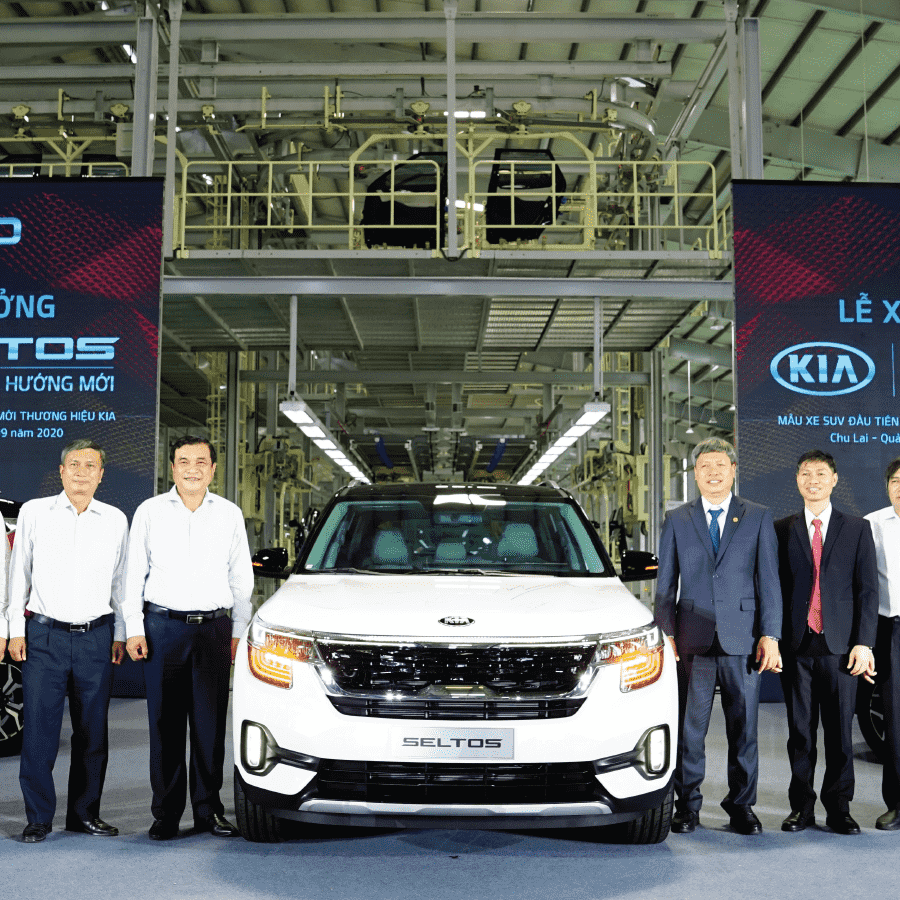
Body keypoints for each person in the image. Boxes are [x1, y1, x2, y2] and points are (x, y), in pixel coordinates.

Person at [123, 436, 253, 840]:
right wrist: (133, 626)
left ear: (213, 469)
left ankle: (208, 811)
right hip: (162, 628)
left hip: (214, 630)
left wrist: (239, 629)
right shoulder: (149, 512)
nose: (192, 468)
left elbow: (241, 578)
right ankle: (165, 814)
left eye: (200, 461)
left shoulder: (229, 514)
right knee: (164, 724)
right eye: (183, 461)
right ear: (172, 468)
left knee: (210, 725)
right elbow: (133, 574)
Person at [1, 439, 128, 843]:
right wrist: (14, 630)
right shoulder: (35, 513)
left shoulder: (115, 520)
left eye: (90, 465)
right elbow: (18, 574)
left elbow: (121, 583)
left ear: (101, 475)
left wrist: (121, 633)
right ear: (61, 471)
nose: (81, 472)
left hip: (96, 636)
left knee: (92, 733)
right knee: (39, 732)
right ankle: (38, 817)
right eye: (74, 464)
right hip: (44, 636)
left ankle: (84, 815)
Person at [655, 437, 782, 835]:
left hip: (742, 639)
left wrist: (771, 634)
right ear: (695, 474)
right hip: (691, 640)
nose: (713, 473)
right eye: (705, 466)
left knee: (744, 729)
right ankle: (688, 806)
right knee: (690, 731)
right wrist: (665, 632)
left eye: (720, 466)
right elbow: (665, 585)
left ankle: (742, 807)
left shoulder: (757, 517)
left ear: (733, 471)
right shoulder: (677, 519)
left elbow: (769, 581)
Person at [774, 450, 878, 835]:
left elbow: (867, 590)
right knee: (800, 735)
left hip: (841, 648)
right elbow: (774, 589)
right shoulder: (781, 529)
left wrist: (864, 642)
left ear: (834, 479)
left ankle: (839, 809)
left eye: (820, 473)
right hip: (797, 646)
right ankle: (801, 808)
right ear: (797, 480)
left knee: (839, 736)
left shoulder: (857, 528)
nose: (813, 480)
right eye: (806, 473)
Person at [865, 457, 900, 831]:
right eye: (896, 481)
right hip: (891, 631)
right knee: (896, 721)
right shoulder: (871, 525)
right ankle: (897, 805)